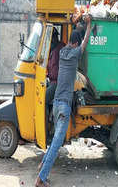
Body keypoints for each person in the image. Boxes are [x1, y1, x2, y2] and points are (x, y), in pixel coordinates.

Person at [35, 16, 91, 187]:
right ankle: (40, 179)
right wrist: (88, 25)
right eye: (77, 43)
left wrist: (77, 26)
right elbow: (84, 43)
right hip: (65, 106)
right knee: (57, 144)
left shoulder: (62, 52)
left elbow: (75, 42)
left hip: (56, 105)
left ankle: (42, 164)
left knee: (55, 141)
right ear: (75, 43)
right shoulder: (75, 54)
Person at [45, 28, 65, 108]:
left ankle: (44, 120)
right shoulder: (53, 50)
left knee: (42, 100)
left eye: (53, 37)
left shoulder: (60, 49)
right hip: (52, 81)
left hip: (57, 83)